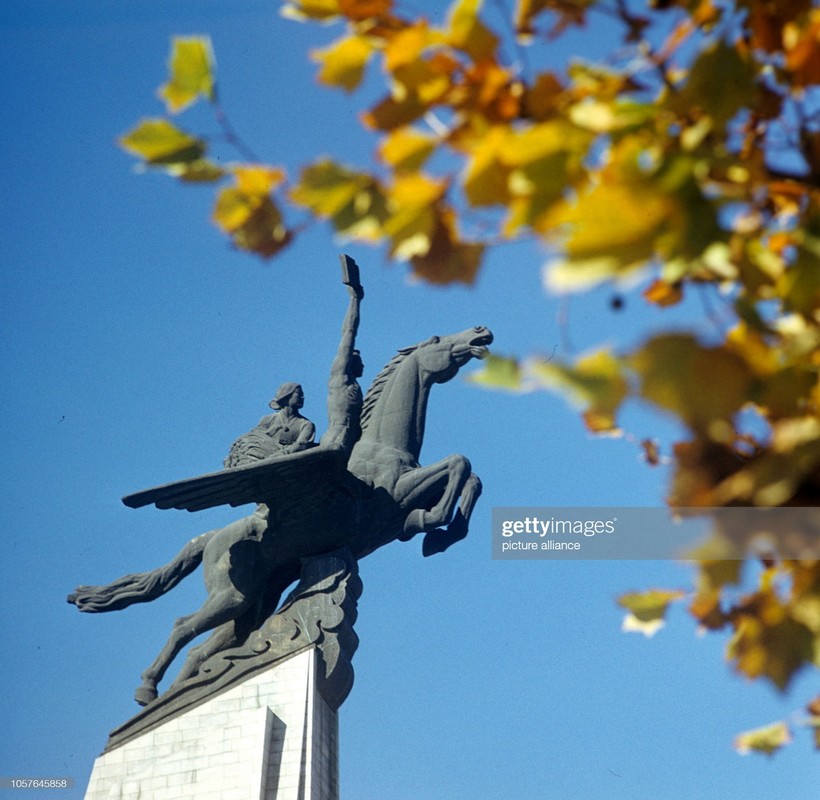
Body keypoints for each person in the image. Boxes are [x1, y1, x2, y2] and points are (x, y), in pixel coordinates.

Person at [319, 257, 364, 458]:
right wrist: (355, 300)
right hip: (338, 438)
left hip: (355, 441)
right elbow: (349, 332)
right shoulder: (340, 377)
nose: (363, 365)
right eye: (359, 360)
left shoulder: (354, 384)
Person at [224, 382, 315, 468]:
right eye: (299, 393)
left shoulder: (306, 424)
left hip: (285, 463)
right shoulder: (268, 419)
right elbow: (254, 438)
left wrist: (274, 457)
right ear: (287, 396)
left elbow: (301, 445)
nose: (303, 397)